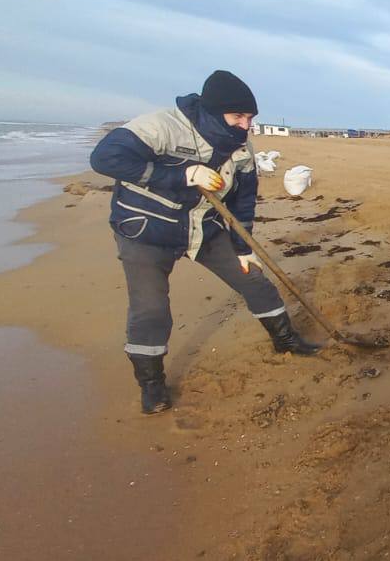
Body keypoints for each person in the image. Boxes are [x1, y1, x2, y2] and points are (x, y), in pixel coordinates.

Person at [90, 70, 320, 415]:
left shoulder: (241, 147)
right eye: (238, 116)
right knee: (150, 309)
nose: (245, 125)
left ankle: (286, 341)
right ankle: (152, 385)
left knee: (254, 280)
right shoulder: (163, 126)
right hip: (146, 230)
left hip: (202, 229)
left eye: (250, 118)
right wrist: (182, 174)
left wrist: (243, 248)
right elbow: (105, 158)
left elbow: (243, 202)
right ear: (214, 111)